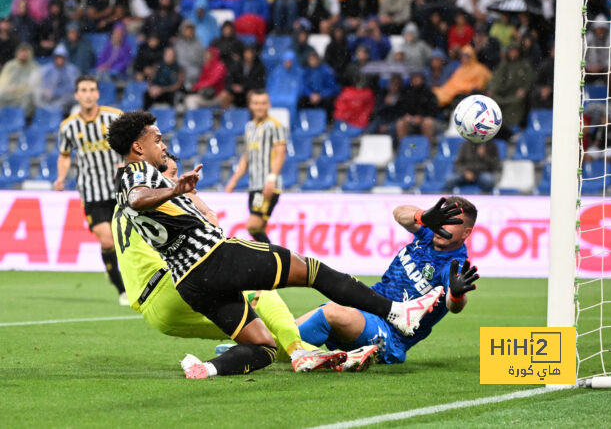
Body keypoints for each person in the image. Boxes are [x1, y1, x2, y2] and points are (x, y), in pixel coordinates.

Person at [107, 110, 446, 378]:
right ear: (138, 146)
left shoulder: (131, 179)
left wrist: (181, 195)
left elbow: (139, 201)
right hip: (214, 257)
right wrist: (175, 190)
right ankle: (396, 313)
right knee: (312, 271)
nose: (163, 146)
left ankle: (206, 369)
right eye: (157, 140)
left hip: (190, 282)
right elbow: (139, 198)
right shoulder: (137, 174)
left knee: (263, 348)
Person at [112, 153, 356, 373]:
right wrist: (197, 203)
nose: (179, 181)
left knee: (258, 334)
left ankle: (333, 360)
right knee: (258, 289)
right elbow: (210, 236)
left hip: (156, 314)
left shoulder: (122, 207)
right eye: (172, 174)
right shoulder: (158, 203)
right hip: (172, 287)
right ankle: (302, 353)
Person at [297, 197, 480, 365]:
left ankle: (289, 351)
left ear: (466, 233)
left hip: (391, 336)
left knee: (331, 313)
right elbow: (398, 213)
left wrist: (456, 295)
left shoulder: (453, 265)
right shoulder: (427, 234)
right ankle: (284, 348)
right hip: (367, 307)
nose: (441, 225)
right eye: (442, 218)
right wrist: (422, 216)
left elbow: (454, 305)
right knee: (300, 322)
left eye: (451, 222)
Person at [54, 75, 127, 305]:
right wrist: (61, 177)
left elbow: (133, 144)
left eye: (91, 89)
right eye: (83, 90)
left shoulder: (114, 117)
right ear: (77, 95)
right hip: (91, 191)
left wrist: (126, 163)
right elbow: (64, 156)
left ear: (97, 93)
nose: (87, 94)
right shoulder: (68, 126)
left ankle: (114, 267)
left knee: (126, 241)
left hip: (119, 188)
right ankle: (122, 290)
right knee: (107, 240)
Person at [225, 90, 286, 243]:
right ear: (251, 105)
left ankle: (277, 257)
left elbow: (280, 154)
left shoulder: (275, 126)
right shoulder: (249, 127)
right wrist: (234, 180)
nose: (260, 107)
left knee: (253, 226)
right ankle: (268, 265)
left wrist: (271, 179)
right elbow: (247, 156)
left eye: (263, 103)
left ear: (269, 105)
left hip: (266, 186)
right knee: (261, 228)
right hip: (254, 186)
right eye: (256, 103)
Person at [486, 43, 535, 130]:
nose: (513, 54)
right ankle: (496, 126)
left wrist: (524, 89)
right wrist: (492, 90)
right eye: (511, 51)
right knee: (493, 101)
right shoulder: (504, 64)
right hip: (503, 92)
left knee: (516, 102)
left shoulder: (524, 64)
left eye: (515, 51)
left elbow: (529, 79)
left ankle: (511, 126)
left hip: (516, 93)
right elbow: (497, 79)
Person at [395, 72, 440, 142]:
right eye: (414, 78)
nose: (416, 80)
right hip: (410, 121)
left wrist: (422, 117)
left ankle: (427, 149)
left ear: (422, 79)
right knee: (400, 124)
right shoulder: (406, 92)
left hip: (425, 120)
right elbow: (400, 108)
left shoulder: (429, 93)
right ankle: (407, 148)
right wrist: (406, 116)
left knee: (427, 123)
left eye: (418, 77)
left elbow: (434, 110)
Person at [0, 43, 41, 115]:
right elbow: (2, 83)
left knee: (28, 96)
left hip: (24, 94)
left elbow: (34, 86)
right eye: (21, 51)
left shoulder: (34, 67)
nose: (23, 54)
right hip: (10, 93)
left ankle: (22, 120)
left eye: (26, 52)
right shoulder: (9, 65)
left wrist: (18, 89)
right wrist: (8, 89)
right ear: (17, 53)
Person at [38, 44, 79, 113]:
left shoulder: (72, 70)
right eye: (57, 57)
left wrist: (55, 92)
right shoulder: (47, 70)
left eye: (61, 57)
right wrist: (45, 90)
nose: (59, 60)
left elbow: (72, 87)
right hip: (51, 99)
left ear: (65, 58)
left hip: (66, 99)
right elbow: (43, 84)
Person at [299, 51, 340, 116]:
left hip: (323, 96)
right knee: (301, 100)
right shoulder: (306, 71)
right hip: (311, 96)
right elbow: (304, 85)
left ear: (318, 60)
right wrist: (310, 94)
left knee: (329, 101)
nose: (312, 62)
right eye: (310, 60)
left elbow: (331, 87)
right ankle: (304, 119)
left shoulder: (326, 70)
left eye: (314, 59)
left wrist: (320, 95)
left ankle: (328, 122)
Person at [174, 20, 205, 91]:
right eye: (186, 30)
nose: (188, 32)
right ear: (182, 30)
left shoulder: (199, 44)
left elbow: (202, 60)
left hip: (195, 75)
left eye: (190, 30)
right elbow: (175, 59)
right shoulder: (177, 44)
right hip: (180, 75)